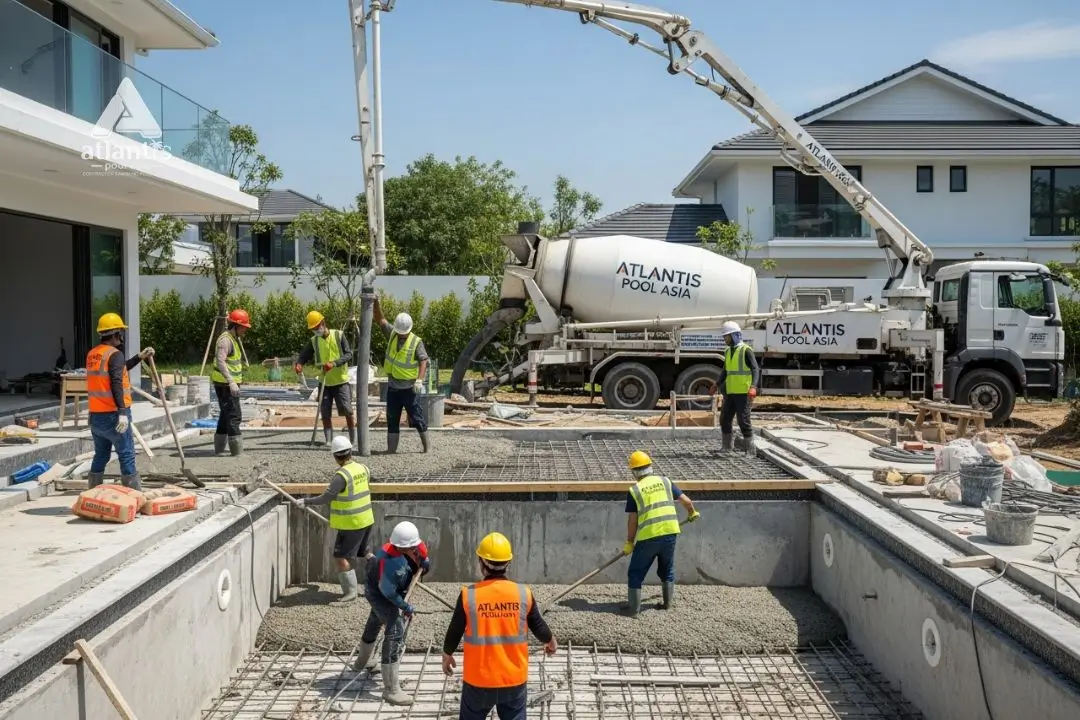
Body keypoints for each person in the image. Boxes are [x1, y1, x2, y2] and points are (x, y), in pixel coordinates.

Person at [442, 532, 557, 720]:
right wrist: (551, 641)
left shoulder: (468, 596)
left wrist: (447, 654)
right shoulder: (523, 594)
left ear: (481, 562)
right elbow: (538, 625)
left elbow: (454, 631)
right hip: (513, 680)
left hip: (478, 681)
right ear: (508, 563)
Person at [353, 521, 431, 706]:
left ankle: (361, 662)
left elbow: (421, 552)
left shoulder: (409, 544)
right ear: (403, 547)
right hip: (378, 592)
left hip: (383, 585)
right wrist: (404, 606)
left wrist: (424, 560)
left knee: (375, 618)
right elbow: (388, 593)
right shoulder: (389, 563)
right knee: (395, 628)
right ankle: (391, 690)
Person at [293, 435, 374, 602]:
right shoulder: (363, 468)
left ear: (336, 456)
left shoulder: (341, 475)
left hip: (352, 523)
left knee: (340, 557)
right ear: (350, 452)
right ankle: (382, 576)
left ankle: (351, 592)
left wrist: (306, 502)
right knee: (365, 552)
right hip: (366, 520)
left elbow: (327, 497)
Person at [622, 451, 700, 617]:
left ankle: (634, 611)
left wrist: (629, 542)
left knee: (635, 573)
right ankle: (667, 604)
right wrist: (692, 513)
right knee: (667, 569)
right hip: (670, 533)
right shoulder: (665, 481)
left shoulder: (635, 490)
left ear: (634, 472)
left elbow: (633, 520)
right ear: (651, 467)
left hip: (648, 537)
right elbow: (687, 501)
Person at [86, 313, 155, 491]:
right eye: (121, 333)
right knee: (126, 454)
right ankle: (134, 496)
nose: (122, 337)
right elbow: (116, 381)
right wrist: (122, 412)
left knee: (101, 455)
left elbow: (118, 368)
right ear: (116, 334)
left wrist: (139, 357)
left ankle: (93, 494)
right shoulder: (114, 354)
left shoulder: (93, 354)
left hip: (96, 416)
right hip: (114, 415)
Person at [372, 295, 430, 454]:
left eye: (404, 333)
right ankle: (391, 451)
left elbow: (423, 360)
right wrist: (376, 302)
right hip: (393, 388)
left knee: (416, 418)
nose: (402, 335)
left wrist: (419, 380)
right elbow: (380, 319)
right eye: (400, 333)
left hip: (409, 389)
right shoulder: (392, 333)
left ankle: (427, 448)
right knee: (392, 419)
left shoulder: (416, 342)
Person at [293, 310, 356, 447]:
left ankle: (352, 439)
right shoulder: (314, 341)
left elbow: (348, 354)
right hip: (324, 382)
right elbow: (304, 355)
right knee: (325, 411)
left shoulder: (338, 335)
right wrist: (299, 364)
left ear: (323, 323)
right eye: (313, 329)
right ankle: (328, 440)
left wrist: (334, 363)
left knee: (347, 410)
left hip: (341, 381)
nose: (316, 330)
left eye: (317, 327)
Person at [707, 320, 760, 455]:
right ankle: (726, 448)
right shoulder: (728, 351)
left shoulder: (746, 350)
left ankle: (750, 450)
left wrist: (753, 386)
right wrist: (716, 384)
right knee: (724, 419)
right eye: (725, 337)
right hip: (730, 392)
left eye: (727, 337)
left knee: (743, 420)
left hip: (744, 392)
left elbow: (755, 369)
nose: (725, 339)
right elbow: (726, 371)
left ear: (736, 335)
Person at [210, 309, 251, 457]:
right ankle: (237, 452)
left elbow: (230, 361)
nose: (245, 330)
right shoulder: (225, 340)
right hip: (225, 385)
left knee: (225, 415)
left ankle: (220, 449)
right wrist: (231, 381)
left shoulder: (233, 338)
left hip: (226, 383)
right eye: (244, 327)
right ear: (236, 325)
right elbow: (220, 361)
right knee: (234, 415)